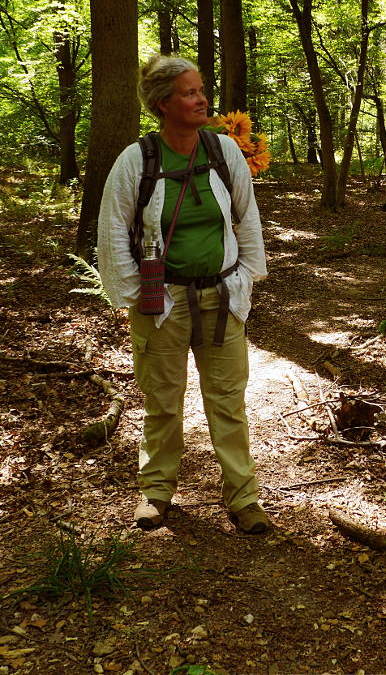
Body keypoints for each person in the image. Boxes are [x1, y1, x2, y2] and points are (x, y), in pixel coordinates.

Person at [98, 54, 270, 533]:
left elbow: (246, 215)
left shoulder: (222, 151)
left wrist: (247, 275)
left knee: (228, 402)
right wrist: (141, 296)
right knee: (162, 401)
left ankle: (243, 497)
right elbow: (113, 232)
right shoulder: (137, 160)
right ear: (162, 104)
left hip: (221, 298)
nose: (202, 99)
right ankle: (155, 492)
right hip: (163, 303)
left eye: (201, 90)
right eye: (190, 93)